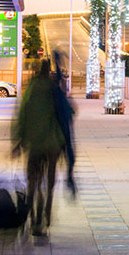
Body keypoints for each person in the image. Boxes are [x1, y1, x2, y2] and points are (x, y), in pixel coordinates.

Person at [11, 60, 65, 239]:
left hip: (34, 143)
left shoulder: (31, 90)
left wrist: (18, 141)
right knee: (49, 179)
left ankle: (34, 216)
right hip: (52, 144)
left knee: (33, 182)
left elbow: (21, 115)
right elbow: (67, 114)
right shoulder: (54, 89)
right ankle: (47, 207)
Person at [52, 51, 77, 197]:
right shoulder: (59, 95)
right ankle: (69, 177)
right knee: (70, 157)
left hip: (58, 130)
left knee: (70, 157)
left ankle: (69, 177)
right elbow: (72, 112)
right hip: (62, 131)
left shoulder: (55, 94)